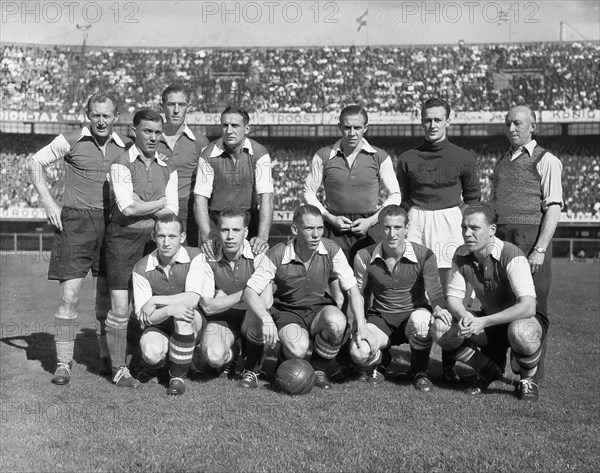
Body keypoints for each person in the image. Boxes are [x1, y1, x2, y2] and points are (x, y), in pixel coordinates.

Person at [26, 92, 129, 385]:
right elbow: (35, 162)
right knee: (69, 294)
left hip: (111, 225)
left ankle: (111, 360)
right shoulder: (71, 139)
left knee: (106, 300)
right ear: (88, 115)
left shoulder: (126, 147)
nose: (100, 120)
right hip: (75, 223)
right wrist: (48, 201)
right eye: (95, 114)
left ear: (115, 116)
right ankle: (63, 364)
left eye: (106, 115)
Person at [396, 97, 481, 383]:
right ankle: (418, 365)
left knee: (450, 293)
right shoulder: (407, 159)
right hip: (418, 222)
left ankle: (448, 365)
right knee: (419, 289)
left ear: (448, 120)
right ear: (421, 121)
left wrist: (469, 236)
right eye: (427, 120)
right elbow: (404, 199)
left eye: (437, 119)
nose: (432, 125)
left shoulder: (464, 157)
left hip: (450, 224)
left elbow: (472, 200)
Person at [243, 204, 373, 390]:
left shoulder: (331, 249)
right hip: (287, 311)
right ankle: (283, 360)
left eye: (320, 228)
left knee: (337, 322)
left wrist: (362, 327)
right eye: (309, 228)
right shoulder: (278, 253)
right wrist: (265, 318)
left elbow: (353, 290)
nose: (316, 234)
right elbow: (250, 291)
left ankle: (318, 368)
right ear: (295, 229)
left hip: (319, 309)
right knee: (298, 348)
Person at [430, 203, 545, 401]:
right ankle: (487, 368)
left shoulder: (512, 255)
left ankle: (527, 380)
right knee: (440, 327)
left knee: (520, 332)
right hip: (490, 322)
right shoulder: (461, 254)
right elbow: (454, 298)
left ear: (492, 230)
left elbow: (528, 306)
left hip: (522, 319)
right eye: (464, 227)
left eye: (474, 228)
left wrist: (483, 322)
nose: (467, 234)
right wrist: (465, 316)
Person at [104, 109, 179, 388]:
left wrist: (148, 204)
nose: (153, 137)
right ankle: (118, 368)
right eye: (147, 131)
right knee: (121, 307)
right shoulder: (121, 163)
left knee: (146, 305)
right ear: (134, 131)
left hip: (154, 242)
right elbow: (126, 206)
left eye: (158, 132)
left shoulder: (167, 166)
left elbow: (173, 210)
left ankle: (142, 362)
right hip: (122, 240)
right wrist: (159, 202)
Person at [492, 105, 563, 375]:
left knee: (533, 306)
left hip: (531, 239)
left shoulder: (546, 160)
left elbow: (554, 207)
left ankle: (530, 374)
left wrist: (540, 248)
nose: (512, 128)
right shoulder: (500, 161)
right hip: (503, 239)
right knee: (502, 302)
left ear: (532, 126)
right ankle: (494, 366)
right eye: (508, 123)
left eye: (518, 123)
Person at [349, 205, 451, 391]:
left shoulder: (424, 255)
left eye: (397, 227)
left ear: (407, 228)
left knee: (421, 323)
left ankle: (419, 371)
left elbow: (435, 292)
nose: (392, 233)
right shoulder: (364, 256)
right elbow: (358, 292)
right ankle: (382, 359)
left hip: (413, 315)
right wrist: (360, 323)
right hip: (381, 317)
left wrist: (438, 308)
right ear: (380, 227)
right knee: (358, 352)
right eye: (387, 227)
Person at [132, 215, 211, 395]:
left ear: (182, 237)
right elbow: (145, 318)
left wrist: (156, 301)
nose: (166, 242)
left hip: (192, 322)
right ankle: (173, 362)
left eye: (172, 237)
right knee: (151, 353)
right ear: (154, 236)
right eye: (161, 236)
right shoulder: (140, 269)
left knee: (182, 314)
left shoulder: (196, 256)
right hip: (160, 323)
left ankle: (177, 378)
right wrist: (169, 309)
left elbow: (192, 299)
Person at [197, 208, 271, 389]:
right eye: (225, 230)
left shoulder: (258, 254)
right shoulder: (208, 256)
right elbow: (207, 307)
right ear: (218, 232)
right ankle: (233, 353)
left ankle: (251, 370)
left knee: (260, 314)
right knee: (214, 357)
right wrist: (247, 293)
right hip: (223, 318)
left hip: (250, 316)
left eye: (236, 230)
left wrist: (225, 297)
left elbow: (267, 301)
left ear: (245, 232)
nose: (230, 236)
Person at [193, 106, 273, 256]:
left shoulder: (260, 154)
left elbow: (266, 197)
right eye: (225, 125)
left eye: (235, 125)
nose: (229, 130)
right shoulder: (208, 154)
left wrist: (262, 237)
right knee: (213, 272)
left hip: (248, 222)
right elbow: (200, 199)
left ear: (247, 128)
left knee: (252, 271)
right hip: (217, 223)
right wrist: (207, 236)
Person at [156, 84, 209, 247]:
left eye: (181, 105)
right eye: (171, 105)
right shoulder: (150, 140)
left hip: (188, 211)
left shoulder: (200, 142)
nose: (176, 110)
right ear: (162, 106)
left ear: (189, 107)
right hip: (156, 209)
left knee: (187, 263)